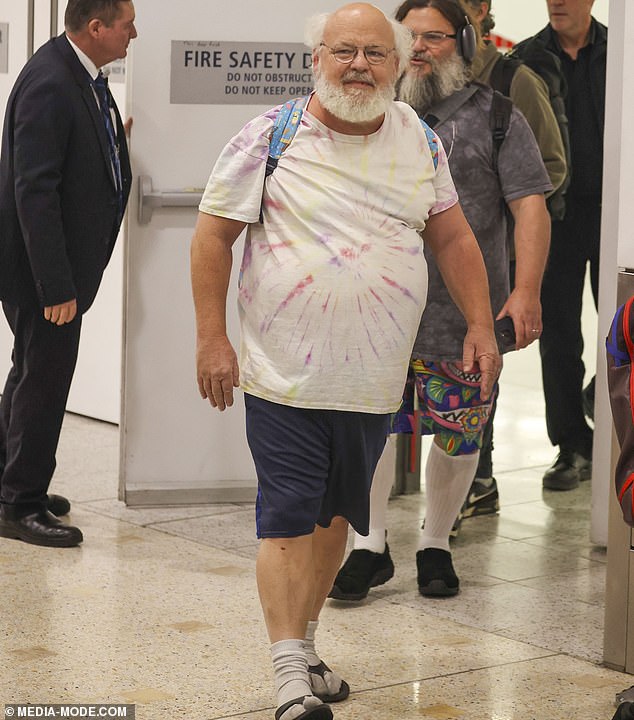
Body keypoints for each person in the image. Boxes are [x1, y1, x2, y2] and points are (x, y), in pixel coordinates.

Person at [191, 5, 500, 718]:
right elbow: (212, 238)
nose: (359, 65)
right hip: (283, 375)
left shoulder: (418, 139)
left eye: (376, 53)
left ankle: (306, 646)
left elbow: (453, 238)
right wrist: (213, 338)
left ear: (399, 65)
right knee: (288, 520)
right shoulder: (271, 135)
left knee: (337, 521)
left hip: (371, 380)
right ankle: (287, 679)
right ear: (316, 59)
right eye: (344, 51)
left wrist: (480, 322)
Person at [329, 0, 551, 602]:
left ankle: (436, 541)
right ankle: (369, 545)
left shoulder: (498, 117)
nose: (421, 48)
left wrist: (526, 289)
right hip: (374, 315)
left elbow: (530, 203)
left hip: (463, 319)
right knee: (369, 431)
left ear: (467, 45)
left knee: (459, 432)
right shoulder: (360, 115)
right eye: (410, 38)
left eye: (437, 37)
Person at [0, 0, 136, 547]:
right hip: (42, 272)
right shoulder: (52, 80)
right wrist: (54, 284)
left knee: (31, 370)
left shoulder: (79, 72)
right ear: (96, 27)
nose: (135, 33)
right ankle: (21, 504)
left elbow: (74, 153)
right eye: (127, 24)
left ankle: (11, 484)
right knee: (46, 380)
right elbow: (34, 190)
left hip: (51, 268)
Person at [453, 0, 568, 524]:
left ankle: (478, 479)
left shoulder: (511, 80)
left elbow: (549, 167)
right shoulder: (399, 83)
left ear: (480, 11)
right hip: (413, 271)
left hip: (488, 255)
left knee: (478, 367)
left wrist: (492, 212)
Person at [520, 0, 606, 491]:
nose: (557, 1)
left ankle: (600, 399)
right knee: (558, 337)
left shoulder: (620, 53)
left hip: (618, 215)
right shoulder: (530, 58)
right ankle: (571, 444)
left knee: (623, 324)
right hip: (554, 216)